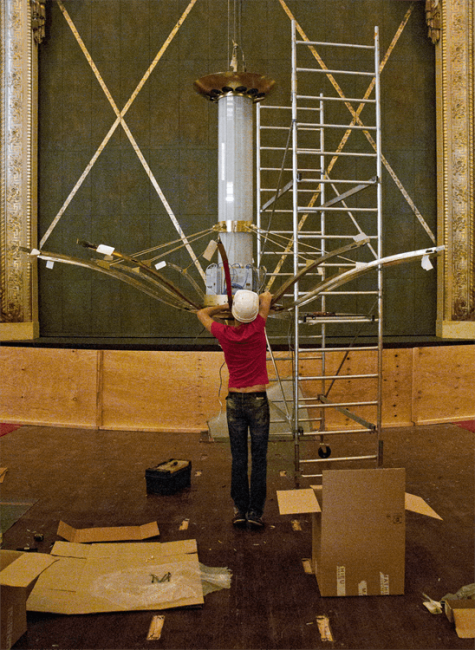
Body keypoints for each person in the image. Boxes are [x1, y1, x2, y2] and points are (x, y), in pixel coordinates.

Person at [197, 290, 273, 528]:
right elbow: (266, 299)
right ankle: (255, 513)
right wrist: (262, 296)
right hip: (257, 400)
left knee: (238, 458)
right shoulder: (259, 326)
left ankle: (240, 510)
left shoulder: (225, 333)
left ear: (236, 315)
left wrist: (222, 309)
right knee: (259, 459)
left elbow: (201, 313)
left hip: (234, 402)